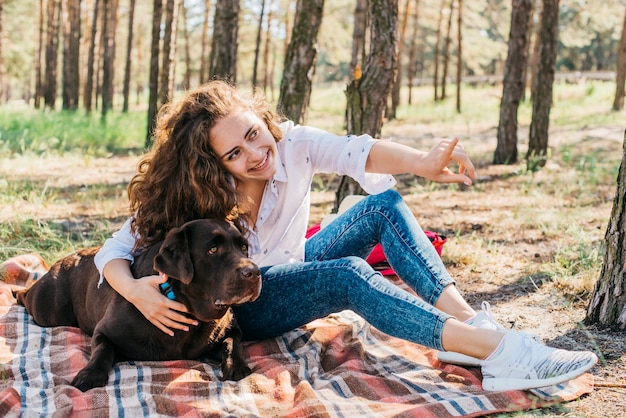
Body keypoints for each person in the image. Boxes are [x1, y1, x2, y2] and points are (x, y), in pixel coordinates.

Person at [94, 80, 597, 392]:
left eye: (252, 133)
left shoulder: (292, 144)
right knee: (349, 275)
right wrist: (135, 289)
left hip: (292, 266)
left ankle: (470, 331)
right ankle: (503, 352)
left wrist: (423, 163)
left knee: (381, 207)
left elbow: (363, 152)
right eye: (234, 153)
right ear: (214, 162)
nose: (253, 153)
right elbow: (114, 251)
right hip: (245, 300)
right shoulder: (198, 193)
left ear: (261, 120)